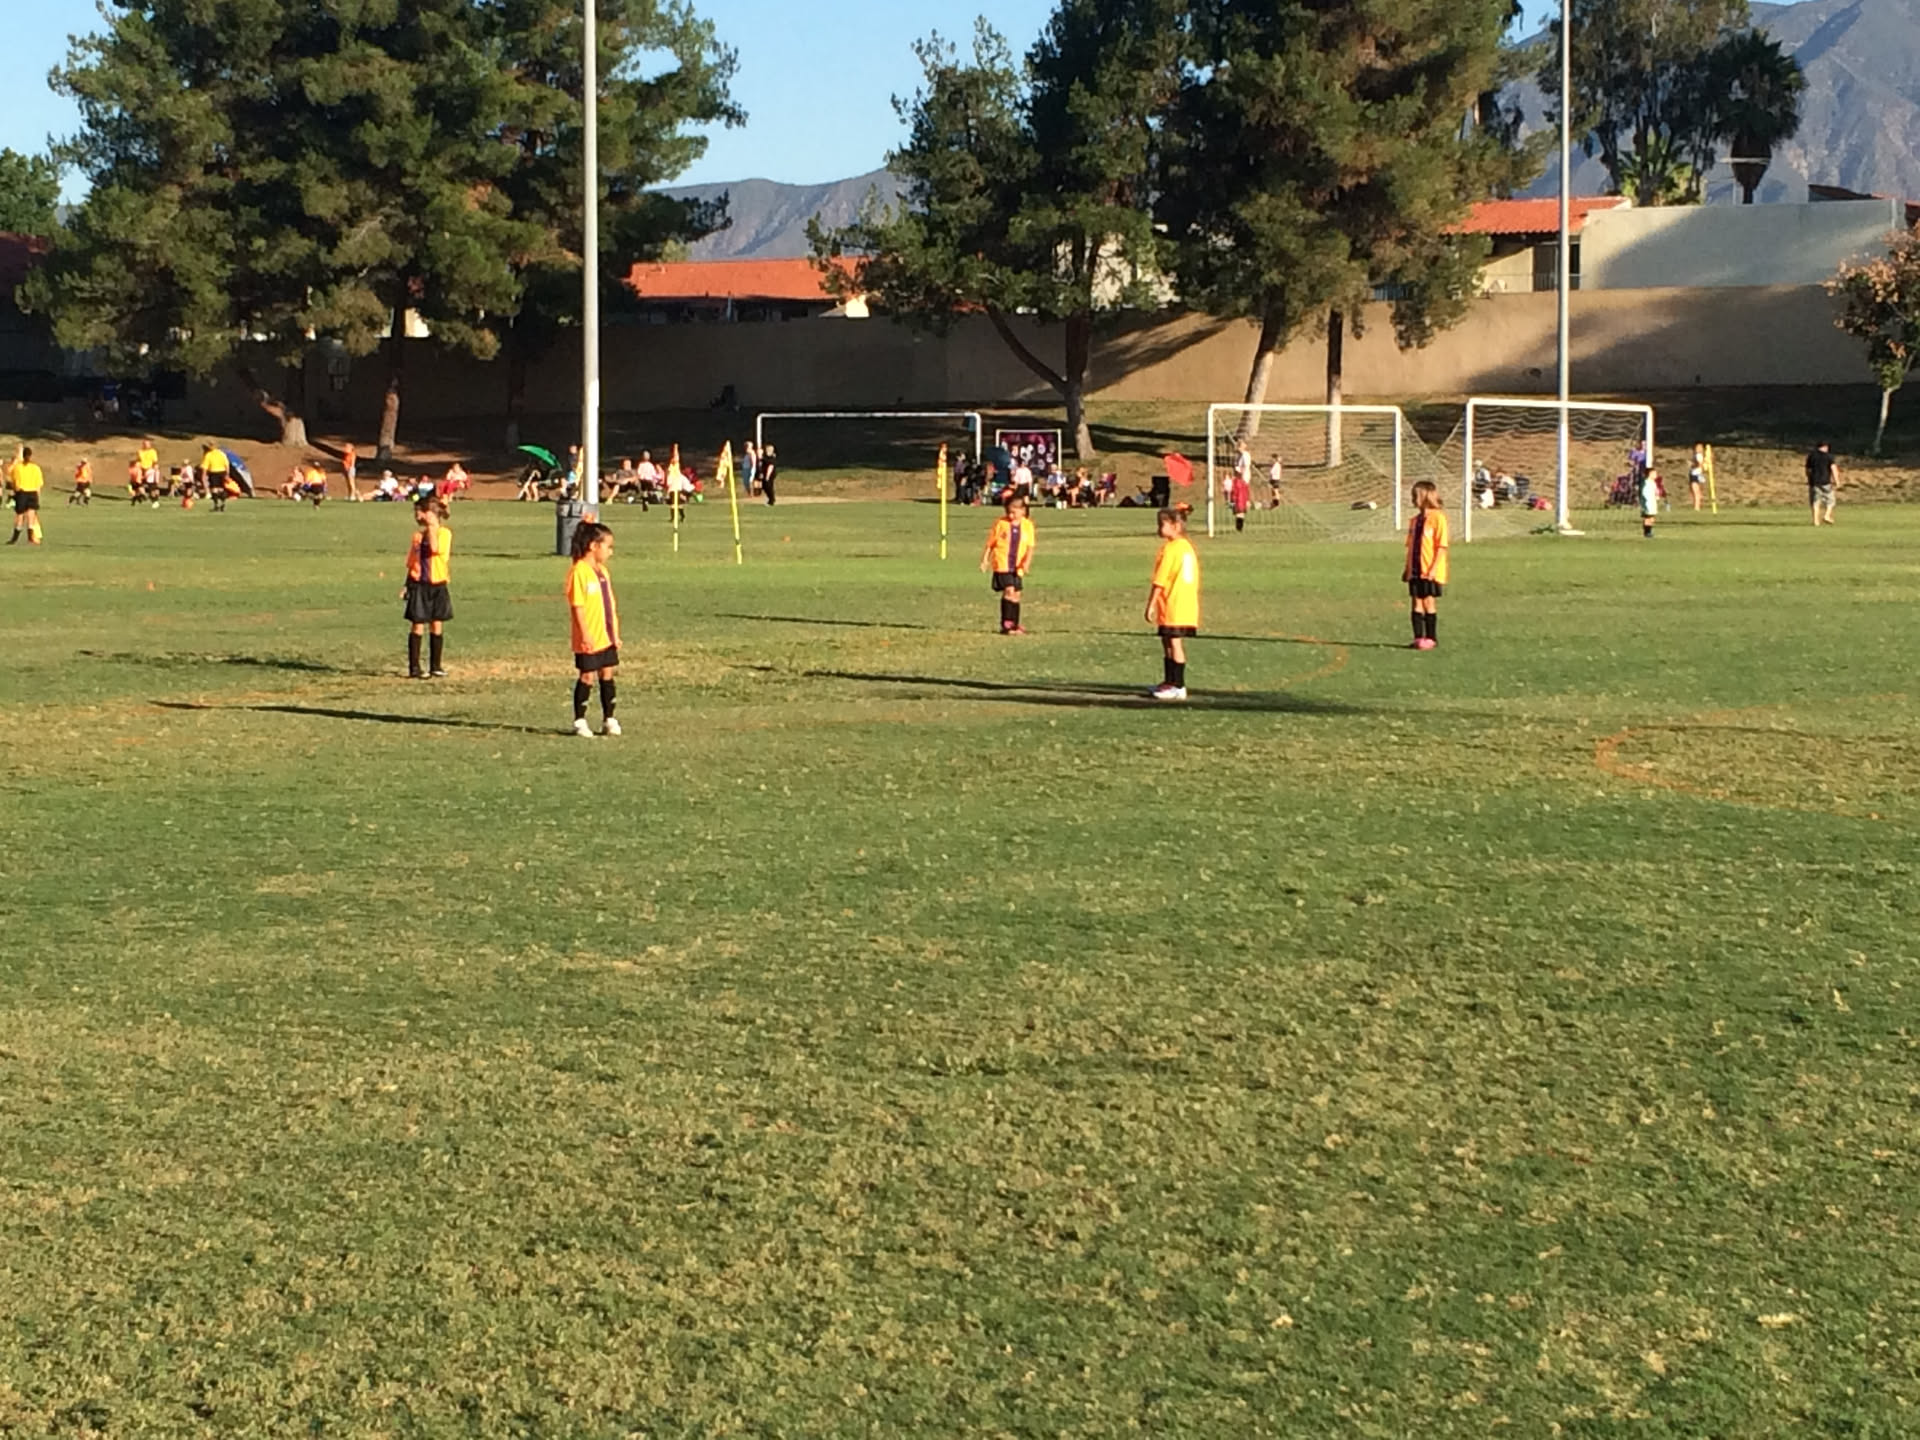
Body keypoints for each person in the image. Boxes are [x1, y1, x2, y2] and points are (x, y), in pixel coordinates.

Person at [565, 521, 622, 738]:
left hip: (606, 635)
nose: (610, 552)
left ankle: (609, 718)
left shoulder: (603, 572)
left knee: (607, 674)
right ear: (593, 546)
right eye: (608, 546)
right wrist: (585, 634)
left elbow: (609, 604)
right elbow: (578, 606)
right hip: (589, 637)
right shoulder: (579, 571)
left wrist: (615, 633)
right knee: (587, 676)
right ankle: (580, 721)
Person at [1145, 506, 1200, 700]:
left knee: (1175, 643)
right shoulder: (1187, 547)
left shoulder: (1170, 549)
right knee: (1167, 641)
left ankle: (1178, 685)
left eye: (1162, 524)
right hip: (1184, 603)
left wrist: (1151, 604)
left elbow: (1160, 580)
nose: (1159, 528)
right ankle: (1169, 681)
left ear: (1176, 526)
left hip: (1173, 603)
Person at [402, 498, 454, 678]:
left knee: (436, 624)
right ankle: (414, 668)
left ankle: (435, 666)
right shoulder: (417, 536)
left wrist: (432, 527)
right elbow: (412, 563)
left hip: (438, 585)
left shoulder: (444, 534)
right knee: (417, 625)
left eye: (420, 511)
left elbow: (435, 548)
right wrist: (407, 585)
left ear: (430, 513)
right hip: (419, 585)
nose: (417, 515)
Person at [1402, 479, 1450, 650]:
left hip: (1430, 569)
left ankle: (1431, 638)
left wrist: (1434, 568)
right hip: (1415, 569)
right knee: (1416, 602)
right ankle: (1418, 638)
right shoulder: (1415, 521)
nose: (1412, 499)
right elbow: (1411, 546)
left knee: (1429, 602)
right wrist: (1407, 568)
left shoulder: (1438, 518)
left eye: (1415, 496)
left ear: (1424, 497)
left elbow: (1441, 546)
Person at [980, 493, 1036, 635]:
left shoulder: (1028, 525)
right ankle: (1006, 624)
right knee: (1009, 591)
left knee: (1016, 594)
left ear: (1023, 511)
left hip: (1017, 566)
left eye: (1014, 512)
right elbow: (990, 544)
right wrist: (985, 559)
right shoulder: (1001, 524)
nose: (1011, 515)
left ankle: (1015, 624)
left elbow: (1030, 547)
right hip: (1002, 564)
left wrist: (1027, 563)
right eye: (1009, 512)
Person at [7, 445, 45, 545]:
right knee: (31, 516)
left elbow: (13, 482)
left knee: (20, 516)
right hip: (32, 493)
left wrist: (15, 493)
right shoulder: (35, 468)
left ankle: (14, 539)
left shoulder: (17, 468)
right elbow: (39, 484)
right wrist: (38, 496)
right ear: (31, 455)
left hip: (22, 493)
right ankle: (30, 537)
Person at [1805, 441, 1839, 526]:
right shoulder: (1829, 456)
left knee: (1815, 501)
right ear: (1825, 447)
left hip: (1814, 482)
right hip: (1825, 482)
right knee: (1831, 500)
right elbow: (1833, 469)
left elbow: (1808, 470)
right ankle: (1827, 515)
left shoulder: (1811, 456)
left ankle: (1815, 521)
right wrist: (1837, 481)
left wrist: (1809, 479)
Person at [1229, 443, 1253, 533]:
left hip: (1242, 482)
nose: (1237, 448)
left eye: (1239, 446)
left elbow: (1245, 468)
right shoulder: (1240, 456)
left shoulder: (1245, 455)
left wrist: (1241, 477)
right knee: (1237, 503)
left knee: (1240, 504)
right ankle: (1238, 526)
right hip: (1239, 481)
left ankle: (1239, 526)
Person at [1640, 465, 1662, 538]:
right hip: (1648, 503)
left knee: (1652, 518)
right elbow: (1644, 492)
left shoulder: (1653, 482)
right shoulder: (1646, 482)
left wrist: (1657, 495)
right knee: (1648, 517)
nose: (1656, 475)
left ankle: (1649, 531)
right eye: (1654, 473)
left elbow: (1655, 491)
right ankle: (1647, 532)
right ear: (1650, 474)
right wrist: (1646, 500)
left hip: (1652, 502)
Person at [1688, 444, 1707, 511]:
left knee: (1696, 492)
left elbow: (1699, 464)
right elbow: (1701, 464)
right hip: (1696, 474)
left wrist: (1692, 464)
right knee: (1697, 492)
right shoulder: (1699, 456)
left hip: (1695, 474)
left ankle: (1697, 507)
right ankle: (1697, 506)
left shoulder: (1698, 456)